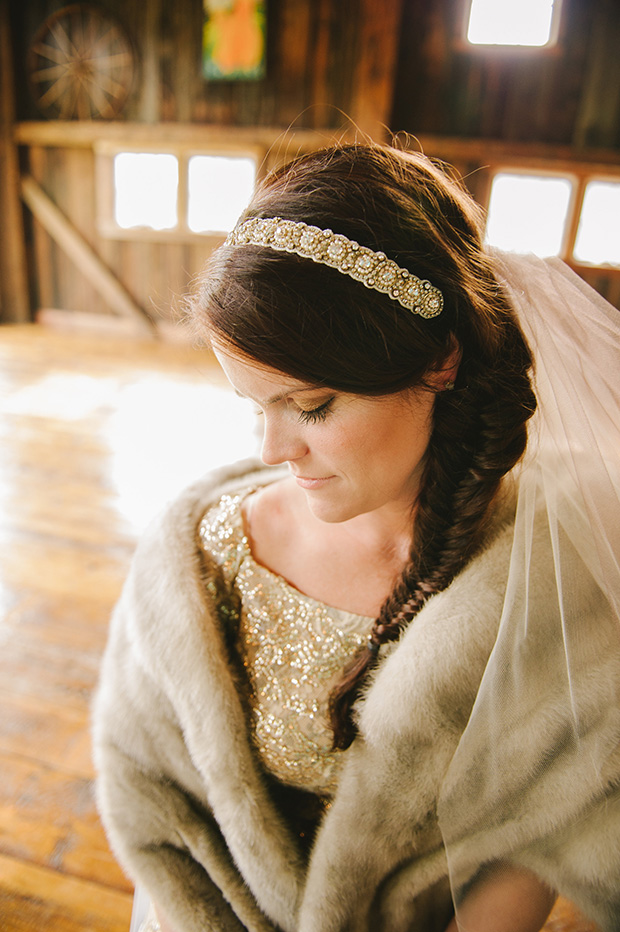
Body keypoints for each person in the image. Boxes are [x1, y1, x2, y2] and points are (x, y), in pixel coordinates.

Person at [92, 143, 620, 932]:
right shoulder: (205, 559)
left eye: (309, 406)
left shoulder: (544, 572)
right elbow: (156, 805)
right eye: (251, 404)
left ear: (440, 362)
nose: (271, 450)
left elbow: (540, 831)